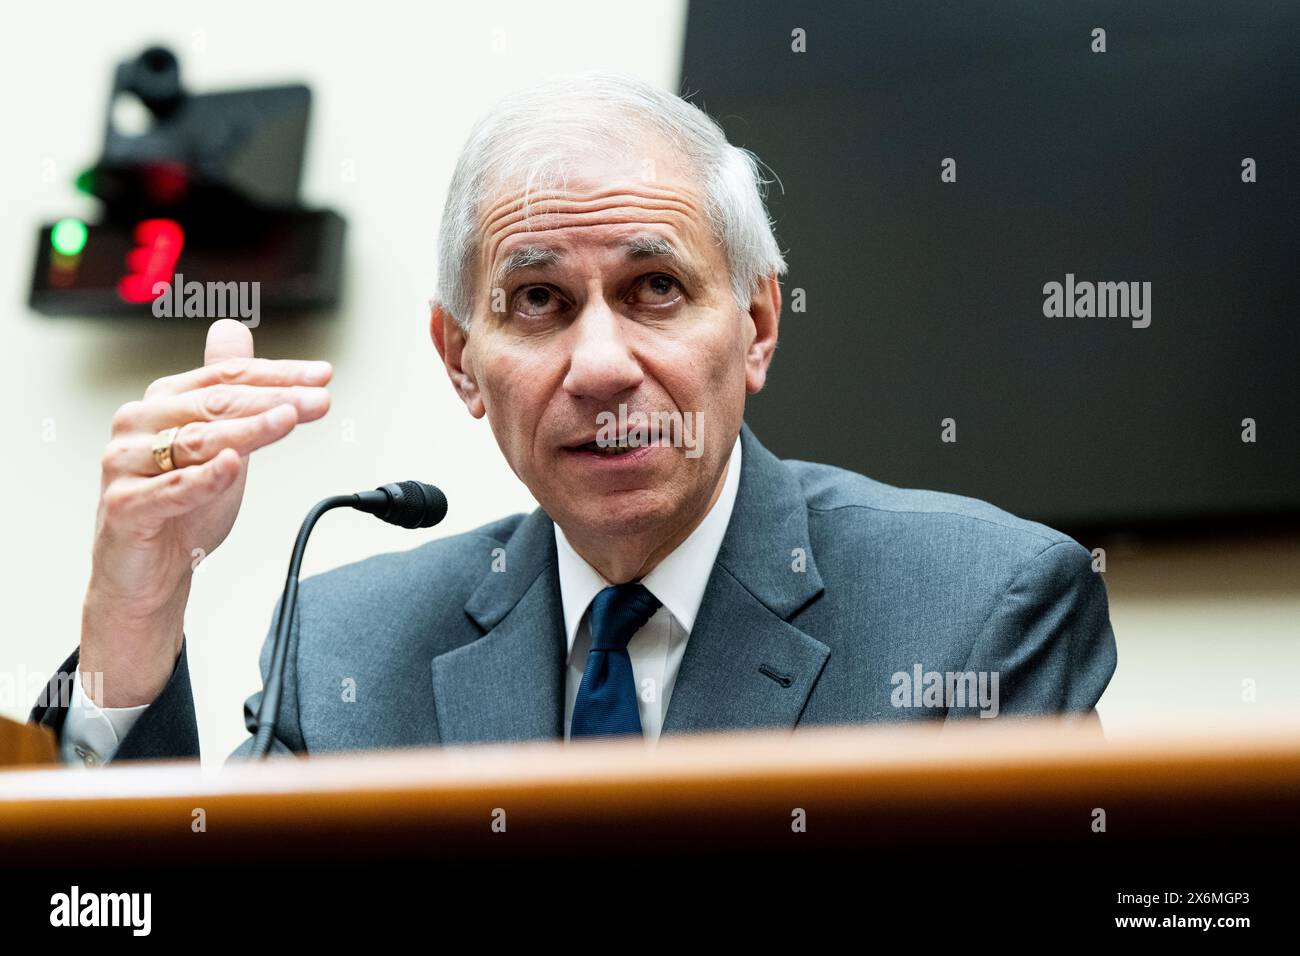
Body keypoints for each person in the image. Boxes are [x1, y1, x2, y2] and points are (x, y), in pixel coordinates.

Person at [31, 72, 1116, 765]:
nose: (599, 366)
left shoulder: (979, 606)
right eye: (538, 300)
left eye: (654, 287)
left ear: (755, 325)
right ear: (461, 360)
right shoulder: (348, 644)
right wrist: (137, 605)